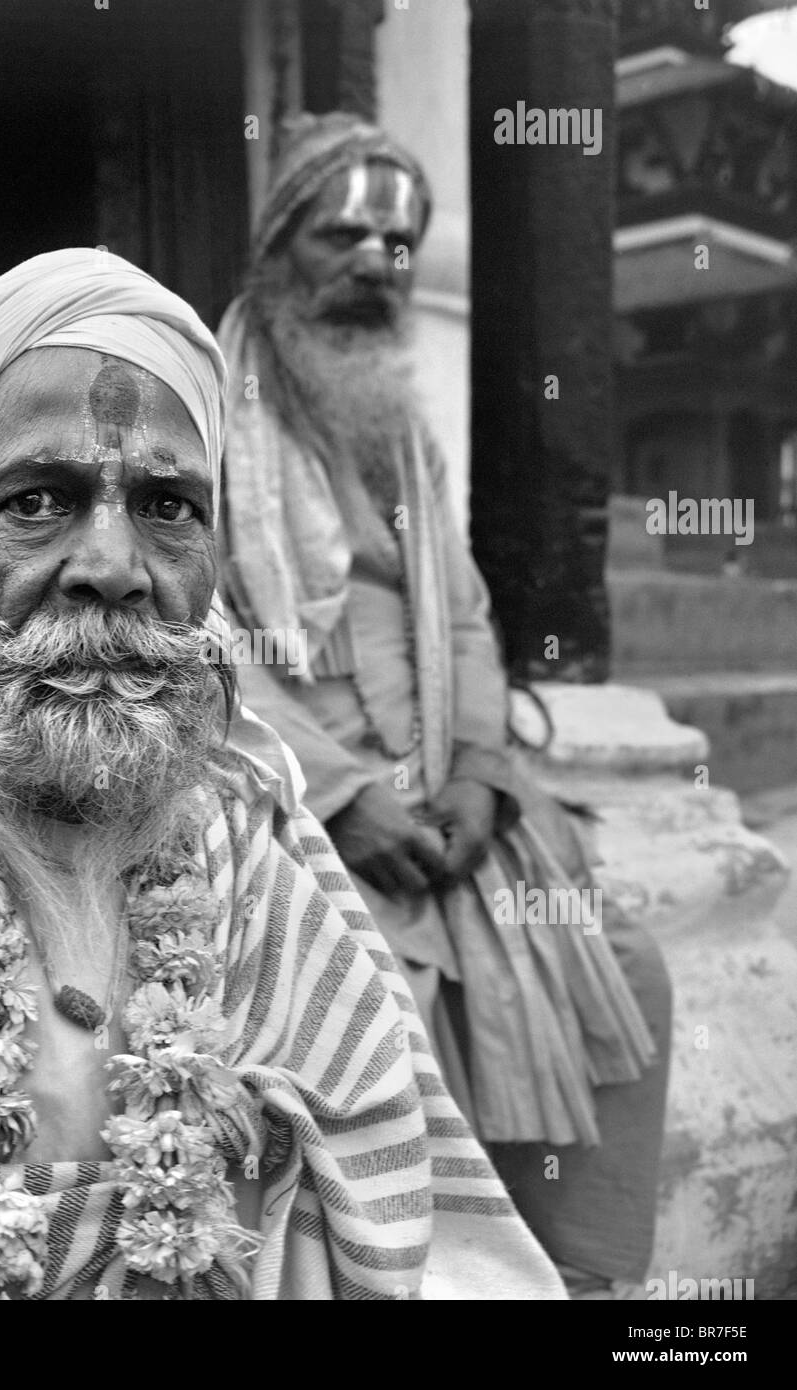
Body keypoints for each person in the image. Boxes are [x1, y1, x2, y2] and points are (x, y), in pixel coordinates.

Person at [0, 248, 564, 1301]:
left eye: (166, 506)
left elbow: (445, 1266)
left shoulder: (250, 863)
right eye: (37, 500)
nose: (114, 565)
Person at [217, 113, 673, 1297]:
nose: (375, 260)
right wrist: (343, 795)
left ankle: (582, 1287)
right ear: (280, 248)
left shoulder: (398, 426)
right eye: (344, 233)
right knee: (390, 1001)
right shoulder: (208, 411)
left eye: (398, 240)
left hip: (446, 798)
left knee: (618, 959)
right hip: (292, 802)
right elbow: (197, 640)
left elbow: (463, 616)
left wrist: (476, 767)